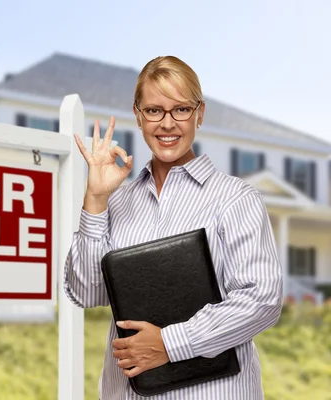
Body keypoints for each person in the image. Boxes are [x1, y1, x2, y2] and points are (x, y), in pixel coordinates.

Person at [64, 55, 283, 400]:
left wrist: (170, 344)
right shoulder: (117, 203)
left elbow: (262, 300)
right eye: (154, 111)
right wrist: (95, 198)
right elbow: (87, 292)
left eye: (180, 109)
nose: (167, 124)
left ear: (200, 114)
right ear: (138, 115)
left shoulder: (235, 199)